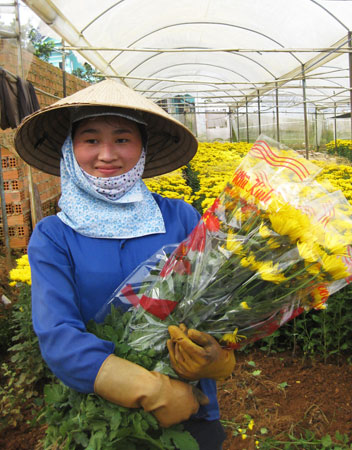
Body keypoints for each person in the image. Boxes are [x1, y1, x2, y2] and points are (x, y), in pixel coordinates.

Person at [14, 79, 236, 449]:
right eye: (90, 140)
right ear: (70, 149)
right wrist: (151, 390)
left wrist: (218, 354)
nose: (107, 154)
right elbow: (59, 337)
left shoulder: (179, 217)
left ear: (143, 147)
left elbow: (216, 300)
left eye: (122, 139)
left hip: (190, 410)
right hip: (103, 420)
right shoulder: (54, 236)